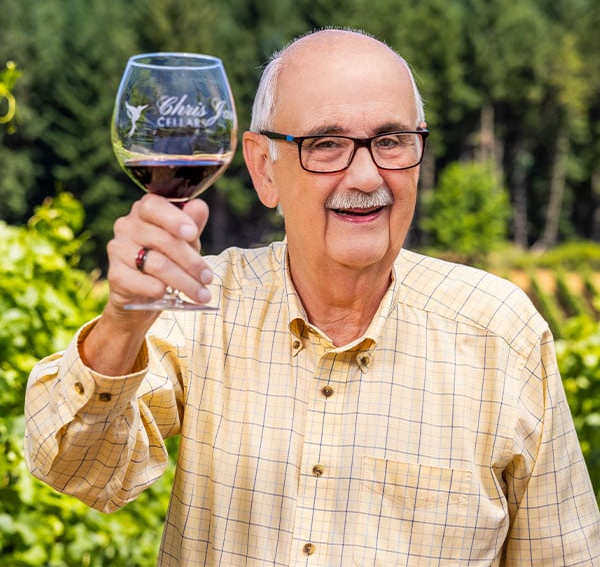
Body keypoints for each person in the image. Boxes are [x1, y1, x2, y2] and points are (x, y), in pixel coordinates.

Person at [25, 28, 600, 566]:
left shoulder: (500, 329)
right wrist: (124, 324)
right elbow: (76, 468)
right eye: (325, 145)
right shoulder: (204, 303)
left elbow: (564, 554)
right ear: (263, 167)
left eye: (391, 141)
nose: (366, 177)